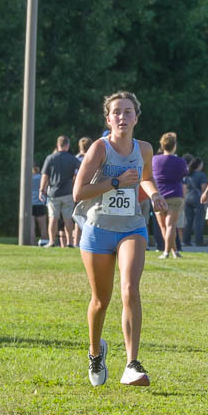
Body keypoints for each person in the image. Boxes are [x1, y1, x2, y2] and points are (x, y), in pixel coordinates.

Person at [72, 91, 164, 388]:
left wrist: (153, 193)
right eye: (117, 112)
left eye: (128, 112)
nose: (122, 117)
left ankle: (132, 364)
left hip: (131, 227)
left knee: (130, 289)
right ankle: (95, 352)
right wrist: (114, 181)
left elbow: (146, 177)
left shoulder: (145, 149)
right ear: (108, 118)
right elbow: (78, 192)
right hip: (98, 229)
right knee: (101, 301)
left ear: (137, 117)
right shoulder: (100, 149)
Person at [151, 132, 188, 259]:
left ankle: (171, 252)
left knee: (163, 226)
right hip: (175, 194)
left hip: (158, 194)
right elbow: (184, 175)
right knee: (171, 225)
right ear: (174, 146)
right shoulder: (180, 161)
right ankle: (170, 252)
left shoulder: (154, 159)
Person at [40, 136, 81, 248]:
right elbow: (81, 170)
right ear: (67, 145)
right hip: (68, 192)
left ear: (58, 145)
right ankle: (70, 243)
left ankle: (52, 241)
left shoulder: (50, 158)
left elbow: (45, 176)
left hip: (53, 193)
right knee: (68, 218)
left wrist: (41, 190)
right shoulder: (72, 159)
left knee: (53, 217)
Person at [183, 157, 207, 247]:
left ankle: (186, 241)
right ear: (199, 165)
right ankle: (199, 241)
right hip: (198, 199)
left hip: (187, 198)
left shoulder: (187, 175)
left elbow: (184, 188)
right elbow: (204, 188)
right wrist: (206, 200)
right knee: (198, 221)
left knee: (188, 221)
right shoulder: (202, 175)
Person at [30, 164, 48, 245]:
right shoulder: (41, 177)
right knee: (43, 227)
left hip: (30, 204)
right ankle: (44, 242)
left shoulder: (28, 178)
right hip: (40, 203)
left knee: (31, 227)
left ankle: (31, 243)